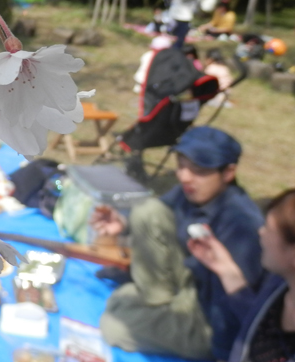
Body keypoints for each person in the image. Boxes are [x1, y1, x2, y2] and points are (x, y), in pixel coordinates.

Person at [92, 126, 265, 360]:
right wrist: (122, 224)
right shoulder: (190, 192)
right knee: (147, 209)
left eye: (199, 170)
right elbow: (155, 216)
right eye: (181, 165)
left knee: (113, 326)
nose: (184, 176)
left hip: (209, 320)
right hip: (188, 286)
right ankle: (157, 301)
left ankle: (158, 310)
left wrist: (223, 353)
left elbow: (243, 311)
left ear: (228, 173)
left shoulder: (241, 226)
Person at [188, 188, 295, 362]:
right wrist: (225, 268)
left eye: (269, 229)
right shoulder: (279, 285)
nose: (261, 232)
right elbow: (255, 317)